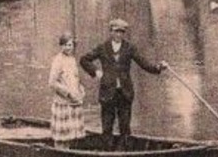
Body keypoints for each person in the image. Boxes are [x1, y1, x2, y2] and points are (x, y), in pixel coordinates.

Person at [79, 19, 168, 148]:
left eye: (121, 32)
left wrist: (159, 67)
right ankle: (107, 154)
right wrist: (96, 72)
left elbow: (144, 64)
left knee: (125, 127)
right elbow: (84, 60)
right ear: (111, 32)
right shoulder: (103, 47)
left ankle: (125, 153)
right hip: (107, 93)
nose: (119, 35)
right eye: (116, 31)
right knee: (107, 127)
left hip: (125, 93)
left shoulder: (129, 48)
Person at [48, 33, 86, 147]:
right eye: (66, 45)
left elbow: (75, 78)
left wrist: (80, 89)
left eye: (70, 45)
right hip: (63, 102)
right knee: (61, 136)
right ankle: (60, 153)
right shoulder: (57, 60)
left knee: (70, 134)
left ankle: (67, 153)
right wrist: (68, 93)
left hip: (74, 102)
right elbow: (52, 83)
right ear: (61, 46)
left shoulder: (72, 59)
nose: (68, 48)